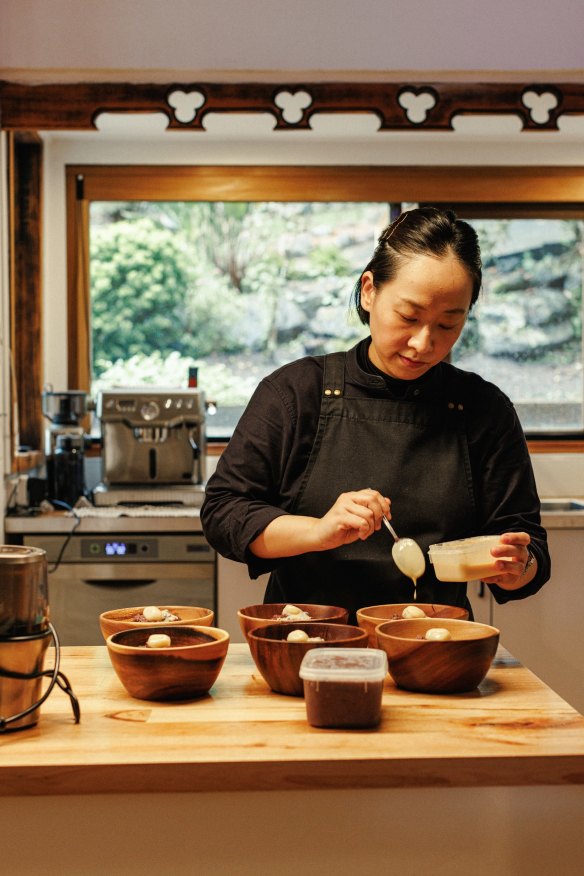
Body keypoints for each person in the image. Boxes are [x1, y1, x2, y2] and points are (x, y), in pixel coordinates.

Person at [201, 207, 550, 620]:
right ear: (369, 290)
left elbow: (530, 549)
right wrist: (316, 530)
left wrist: (516, 568)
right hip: (305, 639)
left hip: (433, 646)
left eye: (447, 325)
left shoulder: (483, 410)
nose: (424, 343)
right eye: (409, 316)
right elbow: (224, 511)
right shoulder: (296, 392)